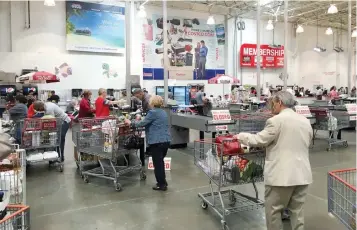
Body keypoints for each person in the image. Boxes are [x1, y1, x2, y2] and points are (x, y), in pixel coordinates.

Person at [234, 91, 313, 230]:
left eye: (273, 103)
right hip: (302, 174)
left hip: (280, 176)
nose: (272, 106)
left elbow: (259, 140)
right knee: (297, 212)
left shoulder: (275, 121)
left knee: (274, 211)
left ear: (279, 102)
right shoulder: (305, 121)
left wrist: (240, 136)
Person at [125, 95, 171, 191]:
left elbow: (141, 123)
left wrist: (130, 122)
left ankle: (161, 184)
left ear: (152, 103)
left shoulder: (152, 112)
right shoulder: (163, 112)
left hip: (157, 142)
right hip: (166, 141)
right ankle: (163, 182)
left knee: (157, 164)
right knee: (160, 162)